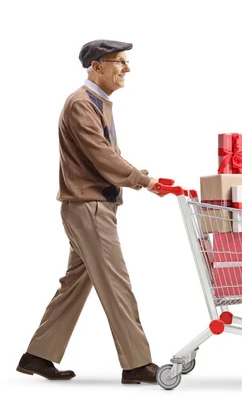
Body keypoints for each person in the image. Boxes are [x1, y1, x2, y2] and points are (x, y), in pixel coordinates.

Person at [17, 39, 161, 384]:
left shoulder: (98, 102)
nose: (126, 68)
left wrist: (135, 175)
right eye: (119, 62)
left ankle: (38, 355)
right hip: (89, 208)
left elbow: (104, 156)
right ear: (96, 66)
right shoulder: (82, 104)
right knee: (115, 282)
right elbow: (101, 156)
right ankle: (137, 363)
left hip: (92, 205)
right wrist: (142, 180)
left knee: (76, 284)